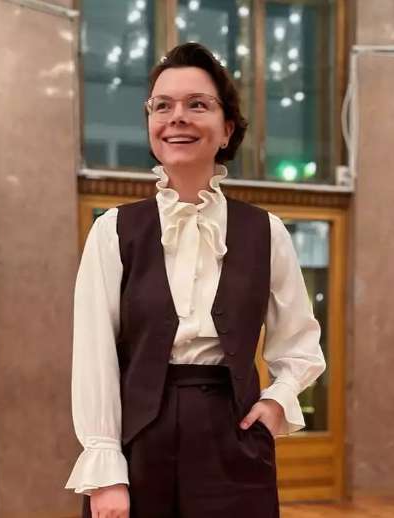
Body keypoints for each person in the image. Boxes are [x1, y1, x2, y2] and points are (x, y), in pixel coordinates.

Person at [65, 42, 326, 518]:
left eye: (197, 104)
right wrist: (105, 469)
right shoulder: (113, 230)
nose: (177, 117)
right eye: (162, 106)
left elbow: (301, 345)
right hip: (138, 443)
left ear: (227, 129)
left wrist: (276, 402)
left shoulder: (266, 232)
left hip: (234, 441)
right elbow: (94, 353)